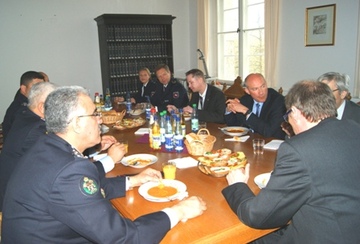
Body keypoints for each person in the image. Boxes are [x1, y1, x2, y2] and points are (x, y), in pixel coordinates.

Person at [2, 86, 206, 243]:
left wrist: (132, 180)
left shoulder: (47, 146)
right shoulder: (67, 172)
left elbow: (85, 190)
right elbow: (124, 238)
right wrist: (179, 211)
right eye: (94, 114)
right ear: (77, 123)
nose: (100, 120)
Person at [222, 80, 360, 243]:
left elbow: (257, 216)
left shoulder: (297, 150)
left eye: (288, 115)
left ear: (295, 111)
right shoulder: (354, 128)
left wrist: (237, 185)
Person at [225, 73, 286, 139]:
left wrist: (246, 111)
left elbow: (268, 131)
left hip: (271, 143)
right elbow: (234, 125)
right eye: (255, 89)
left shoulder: (279, 101)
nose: (261, 92)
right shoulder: (245, 100)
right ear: (247, 91)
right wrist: (229, 110)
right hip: (249, 142)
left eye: (263, 86)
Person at [1, 71, 44, 141]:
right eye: (36, 88)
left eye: (42, 87)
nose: (41, 91)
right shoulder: (23, 110)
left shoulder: (24, 103)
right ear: (24, 89)